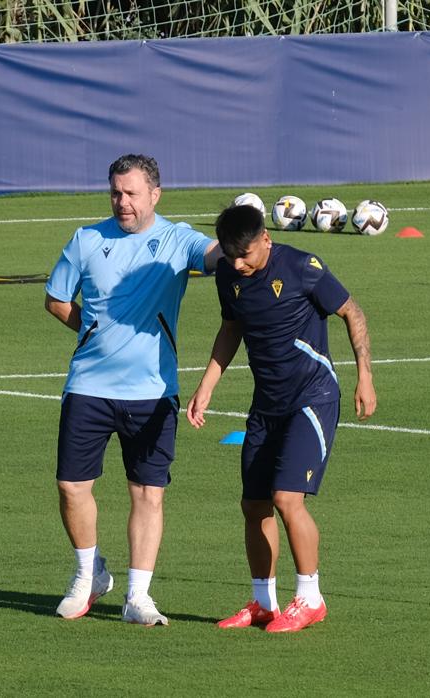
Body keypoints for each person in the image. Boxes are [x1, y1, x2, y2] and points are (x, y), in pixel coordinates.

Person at [44, 154, 222, 626]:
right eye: (116, 193)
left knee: (147, 493)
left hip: (152, 391)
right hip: (88, 385)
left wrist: (239, 237)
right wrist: (91, 332)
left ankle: (137, 596)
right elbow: (57, 300)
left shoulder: (177, 239)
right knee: (71, 485)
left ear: (155, 195)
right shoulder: (87, 239)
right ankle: (89, 573)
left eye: (131, 194)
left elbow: (216, 255)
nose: (122, 202)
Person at [186, 203, 376, 633]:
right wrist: (207, 386)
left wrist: (365, 375)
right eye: (231, 256)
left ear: (266, 240)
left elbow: (352, 311)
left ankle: (311, 598)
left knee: (287, 499)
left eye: (247, 254)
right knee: (253, 504)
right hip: (266, 405)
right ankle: (262, 602)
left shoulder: (302, 267)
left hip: (312, 398)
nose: (238, 263)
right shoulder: (229, 274)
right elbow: (231, 327)